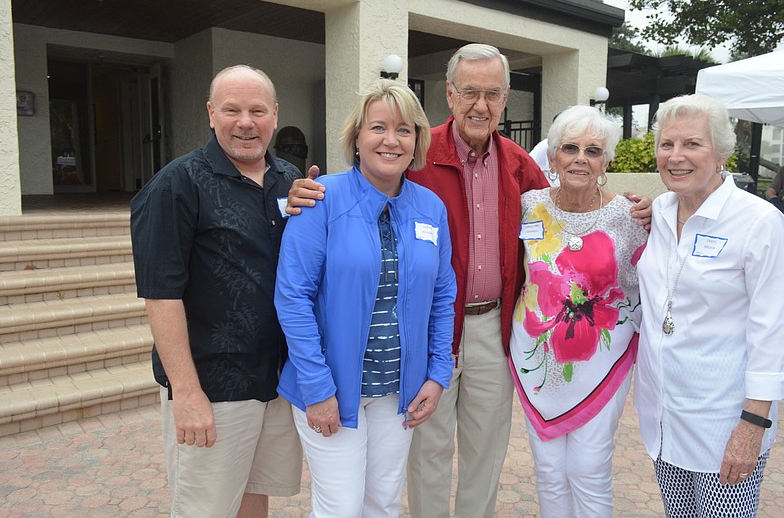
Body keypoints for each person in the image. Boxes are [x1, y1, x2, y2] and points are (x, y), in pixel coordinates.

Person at [287, 44, 652, 517]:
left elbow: (564, 207)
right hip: (425, 329)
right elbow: (360, 189)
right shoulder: (415, 152)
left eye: (494, 94)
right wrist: (297, 194)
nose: (481, 105)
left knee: (485, 450)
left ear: (505, 100)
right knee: (426, 451)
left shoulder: (520, 165)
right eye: (470, 92)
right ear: (450, 94)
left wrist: (631, 207)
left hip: (493, 328)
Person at [275, 79, 456, 518]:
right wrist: (317, 389)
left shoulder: (431, 207)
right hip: (333, 387)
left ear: (417, 142)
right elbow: (292, 298)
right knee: (340, 507)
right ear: (356, 138)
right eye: (378, 127)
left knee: (383, 503)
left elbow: (443, 293)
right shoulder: (321, 198)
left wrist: (437, 374)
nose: (391, 140)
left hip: (400, 388)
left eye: (404, 130)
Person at [130, 65, 303, 518]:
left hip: (275, 379)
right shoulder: (176, 185)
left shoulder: (290, 178)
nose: (245, 122)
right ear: (211, 114)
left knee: (253, 494)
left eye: (257, 111)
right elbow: (161, 295)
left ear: (274, 115)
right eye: (232, 110)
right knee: (205, 508)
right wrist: (186, 393)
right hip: (213, 386)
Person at [636, 94, 784, 517]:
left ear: (722, 151)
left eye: (692, 144)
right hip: (665, 418)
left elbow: (774, 330)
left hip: (724, 424)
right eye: (666, 144)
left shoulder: (758, 223)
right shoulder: (662, 213)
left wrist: (753, 425)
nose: (675, 156)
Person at [510, 105, 648, 517]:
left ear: (606, 161)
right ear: (552, 157)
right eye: (570, 148)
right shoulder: (527, 205)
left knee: (588, 467)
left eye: (593, 150)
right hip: (537, 361)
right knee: (549, 469)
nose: (581, 159)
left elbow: (655, 277)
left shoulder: (630, 216)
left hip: (601, 360)